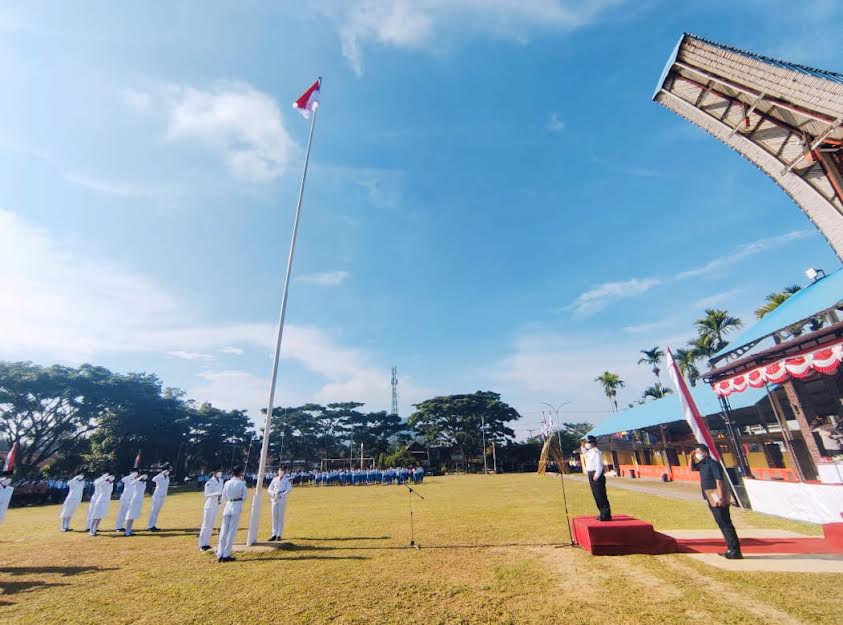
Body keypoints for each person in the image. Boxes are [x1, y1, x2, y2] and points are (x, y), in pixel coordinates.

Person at [691, 444, 741, 559]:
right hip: (710, 496)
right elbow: (692, 468)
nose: (697, 454)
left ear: (705, 452)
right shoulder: (702, 464)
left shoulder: (713, 463)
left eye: (698, 452)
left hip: (717, 496)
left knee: (725, 523)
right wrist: (691, 457)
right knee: (721, 523)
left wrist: (721, 497)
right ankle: (730, 548)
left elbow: (719, 481)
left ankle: (734, 550)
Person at [217, 465, 248, 562]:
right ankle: (226, 554)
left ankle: (220, 553)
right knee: (231, 532)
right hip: (236, 506)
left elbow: (224, 496)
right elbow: (244, 497)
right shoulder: (241, 483)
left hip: (228, 506)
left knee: (223, 531)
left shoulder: (227, 483)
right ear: (240, 473)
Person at [581, 435, 611, 522]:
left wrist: (596, 475)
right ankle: (602, 513)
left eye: (587, 442)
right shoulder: (590, 452)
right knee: (596, 495)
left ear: (592, 443)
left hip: (596, 474)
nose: (586, 444)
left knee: (601, 495)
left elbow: (599, 465)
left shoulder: (597, 452)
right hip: (591, 474)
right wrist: (582, 446)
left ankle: (606, 514)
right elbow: (584, 453)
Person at [199, 466, 224, 551]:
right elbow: (206, 494)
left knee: (211, 525)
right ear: (214, 472)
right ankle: (202, 544)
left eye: (220, 471)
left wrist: (220, 498)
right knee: (206, 525)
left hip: (216, 505)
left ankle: (207, 543)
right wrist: (215, 494)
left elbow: (222, 492)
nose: (220, 473)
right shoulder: (210, 482)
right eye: (218, 471)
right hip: (209, 505)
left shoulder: (221, 481)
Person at [267, 467, 292, 542]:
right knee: (274, 517)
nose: (281, 472)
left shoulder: (286, 480)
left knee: (280, 517)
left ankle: (279, 535)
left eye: (283, 471)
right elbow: (269, 489)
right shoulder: (274, 479)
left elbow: (289, 489)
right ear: (278, 471)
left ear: (284, 472)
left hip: (281, 498)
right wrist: (273, 494)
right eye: (280, 470)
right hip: (274, 498)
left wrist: (282, 495)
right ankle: (274, 534)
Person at [147, 467, 170, 531]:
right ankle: (150, 526)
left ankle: (153, 525)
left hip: (163, 496)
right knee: (153, 511)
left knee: (157, 512)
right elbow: (153, 479)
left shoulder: (167, 477)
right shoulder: (159, 477)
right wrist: (161, 474)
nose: (168, 472)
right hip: (157, 496)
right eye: (167, 470)